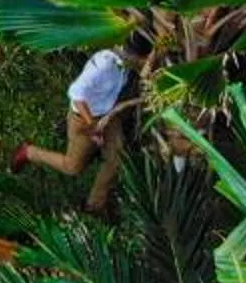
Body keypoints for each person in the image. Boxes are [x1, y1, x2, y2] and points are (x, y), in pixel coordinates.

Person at [12, 35, 149, 213]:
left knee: (116, 159)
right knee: (73, 167)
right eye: (140, 59)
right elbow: (76, 94)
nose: (141, 62)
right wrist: (93, 127)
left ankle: (94, 205)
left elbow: (144, 68)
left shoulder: (125, 62)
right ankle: (29, 152)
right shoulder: (103, 65)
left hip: (108, 115)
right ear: (131, 55)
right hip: (85, 120)